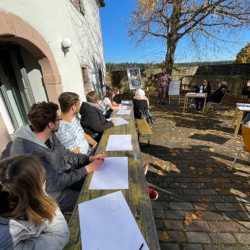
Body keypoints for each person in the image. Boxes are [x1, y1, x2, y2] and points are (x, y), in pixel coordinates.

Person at [3, 102, 104, 212]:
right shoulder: (28, 151)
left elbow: (66, 154)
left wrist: (88, 159)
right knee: (93, 198)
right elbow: (55, 183)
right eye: (58, 119)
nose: (60, 120)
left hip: (64, 178)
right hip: (49, 197)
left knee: (99, 180)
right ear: (50, 124)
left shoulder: (49, 134)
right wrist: (87, 168)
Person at [0, 155, 69, 250]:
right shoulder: (6, 237)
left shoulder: (28, 199)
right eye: (43, 183)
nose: (44, 187)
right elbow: (60, 234)